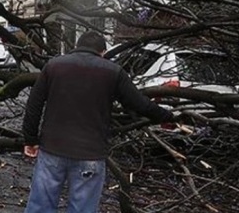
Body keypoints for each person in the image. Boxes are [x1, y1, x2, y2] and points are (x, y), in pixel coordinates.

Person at [22, 31, 176, 213]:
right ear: (102, 52)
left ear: (76, 47)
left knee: (40, 207)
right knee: (82, 209)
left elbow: (34, 104)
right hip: (91, 154)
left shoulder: (54, 66)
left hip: (53, 149)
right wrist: (168, 117)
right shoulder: (113, 71)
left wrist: (30, 139)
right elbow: (140, 104)